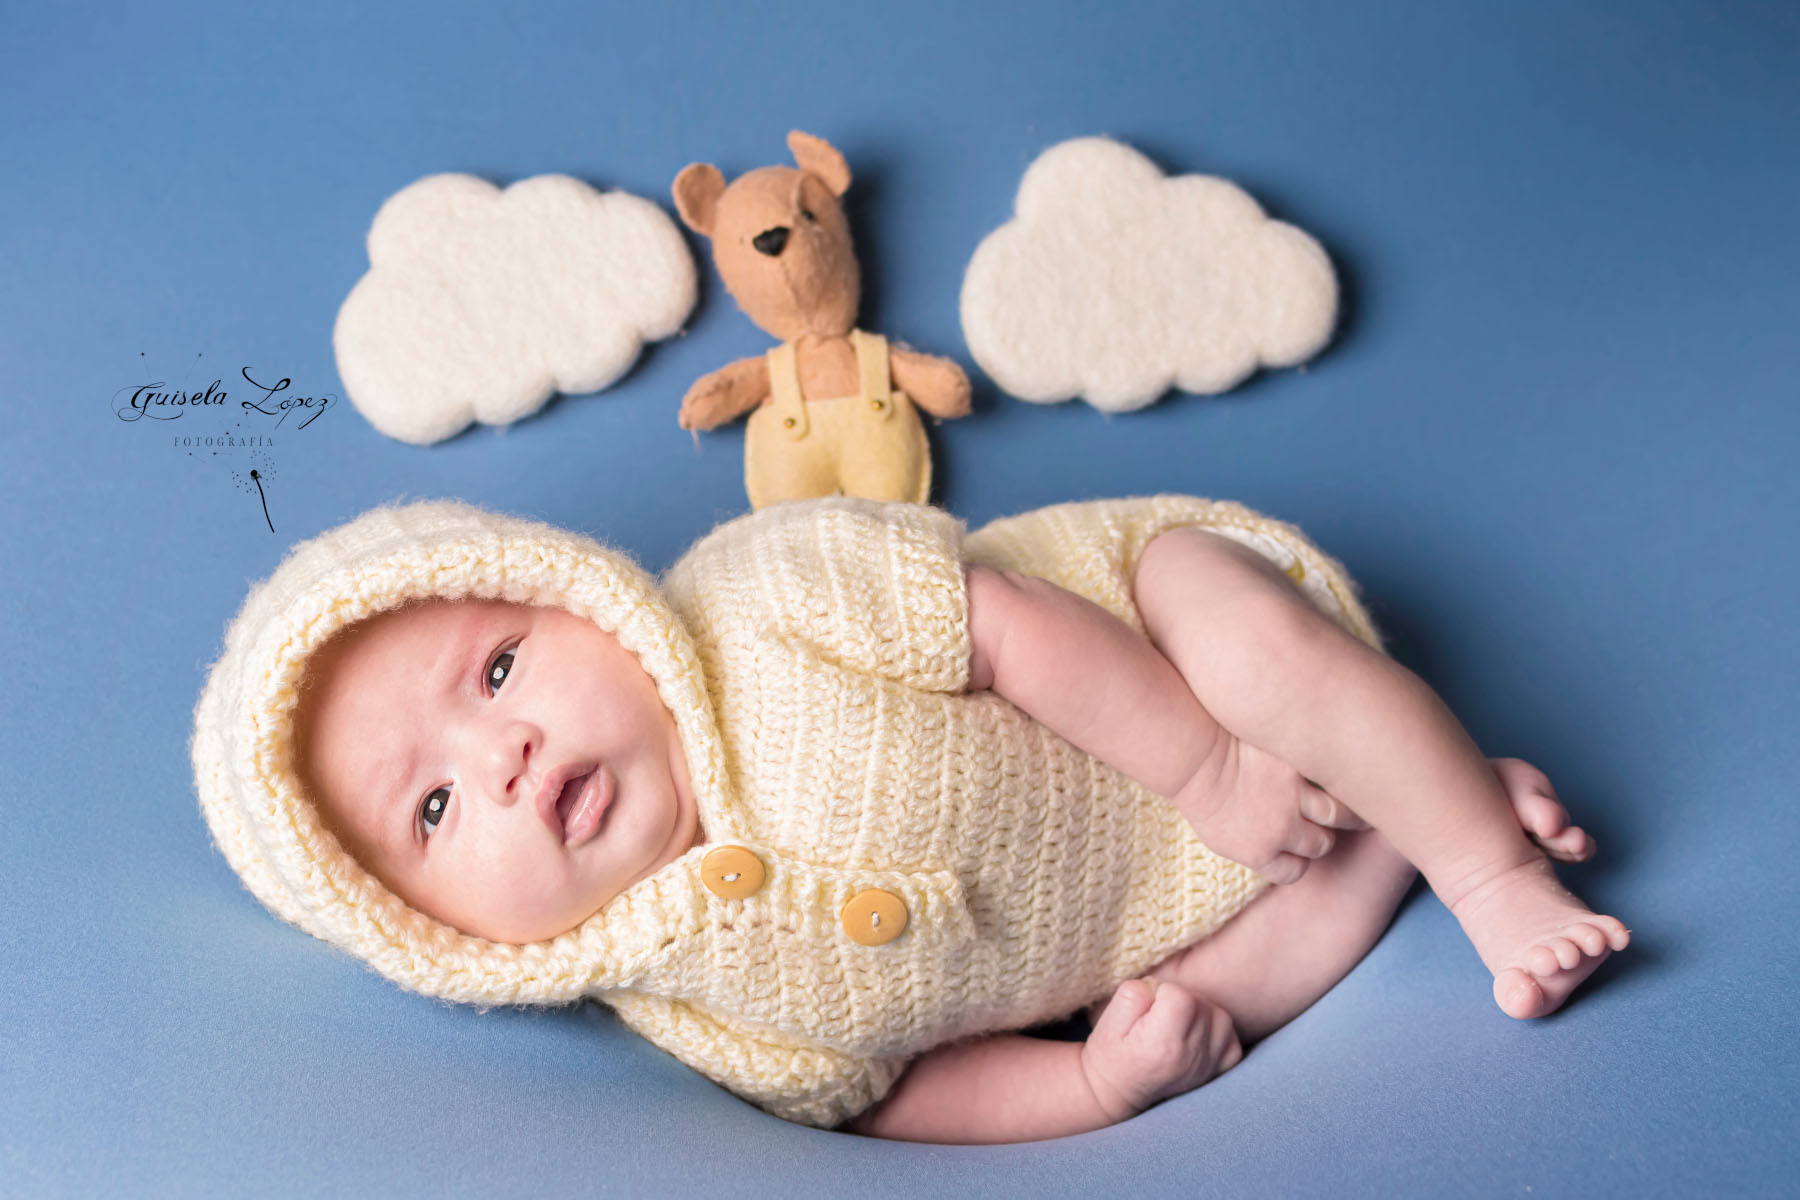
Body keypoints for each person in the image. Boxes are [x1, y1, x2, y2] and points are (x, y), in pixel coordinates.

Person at [190, 494, 1626, 1144]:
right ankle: (1403, 808)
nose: (503, 755)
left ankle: (1488, 869)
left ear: (576, 598)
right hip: (1179, 900)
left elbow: (1006, 623)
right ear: (435, 937)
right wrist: (1090, 1091)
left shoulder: (761, 596)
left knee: (1261, 662)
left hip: (1163, 639)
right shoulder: (694, 1004)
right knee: (1191, 1008)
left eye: (499, 670)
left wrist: (1207, 766)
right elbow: (889, 1096)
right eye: (436, 806)